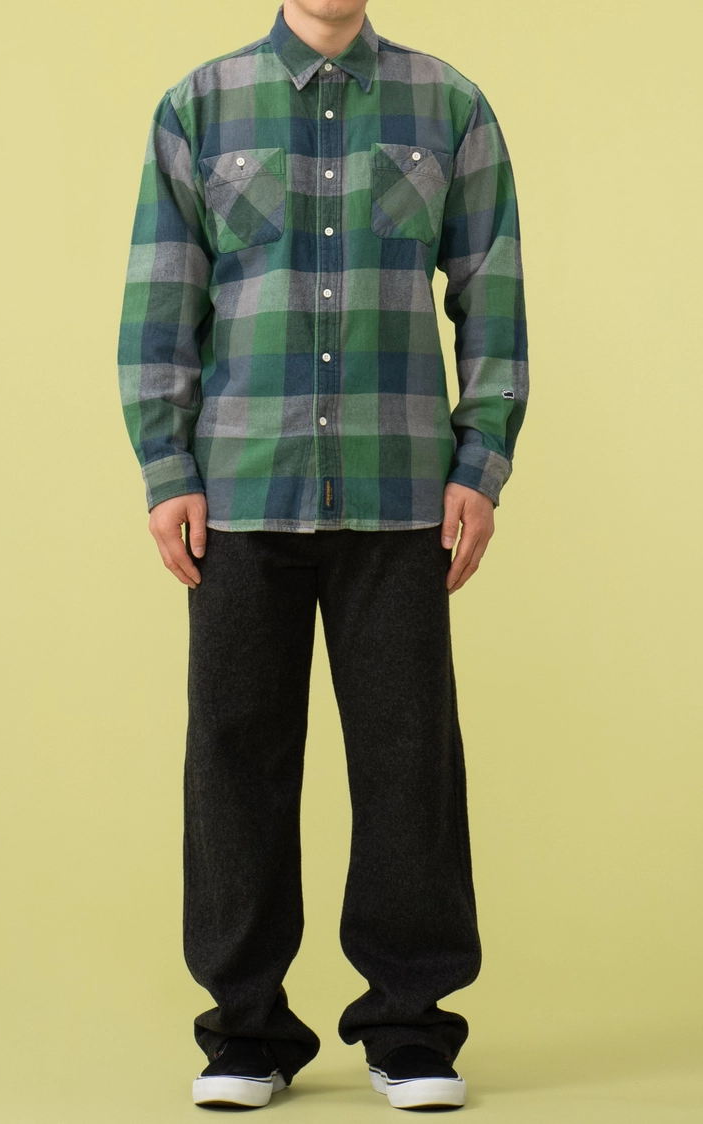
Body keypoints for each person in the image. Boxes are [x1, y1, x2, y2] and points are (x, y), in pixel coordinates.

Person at [117, 0, 528, 1110]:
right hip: (240, 493)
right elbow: (161, 306)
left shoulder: (450, 106)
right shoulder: (199, 108)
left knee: (409, 764)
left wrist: (481, 462)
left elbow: (491, 298)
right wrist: (167, 467)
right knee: (235, 762)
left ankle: (411, 1027)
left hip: (401, 494)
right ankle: (244, 1032)